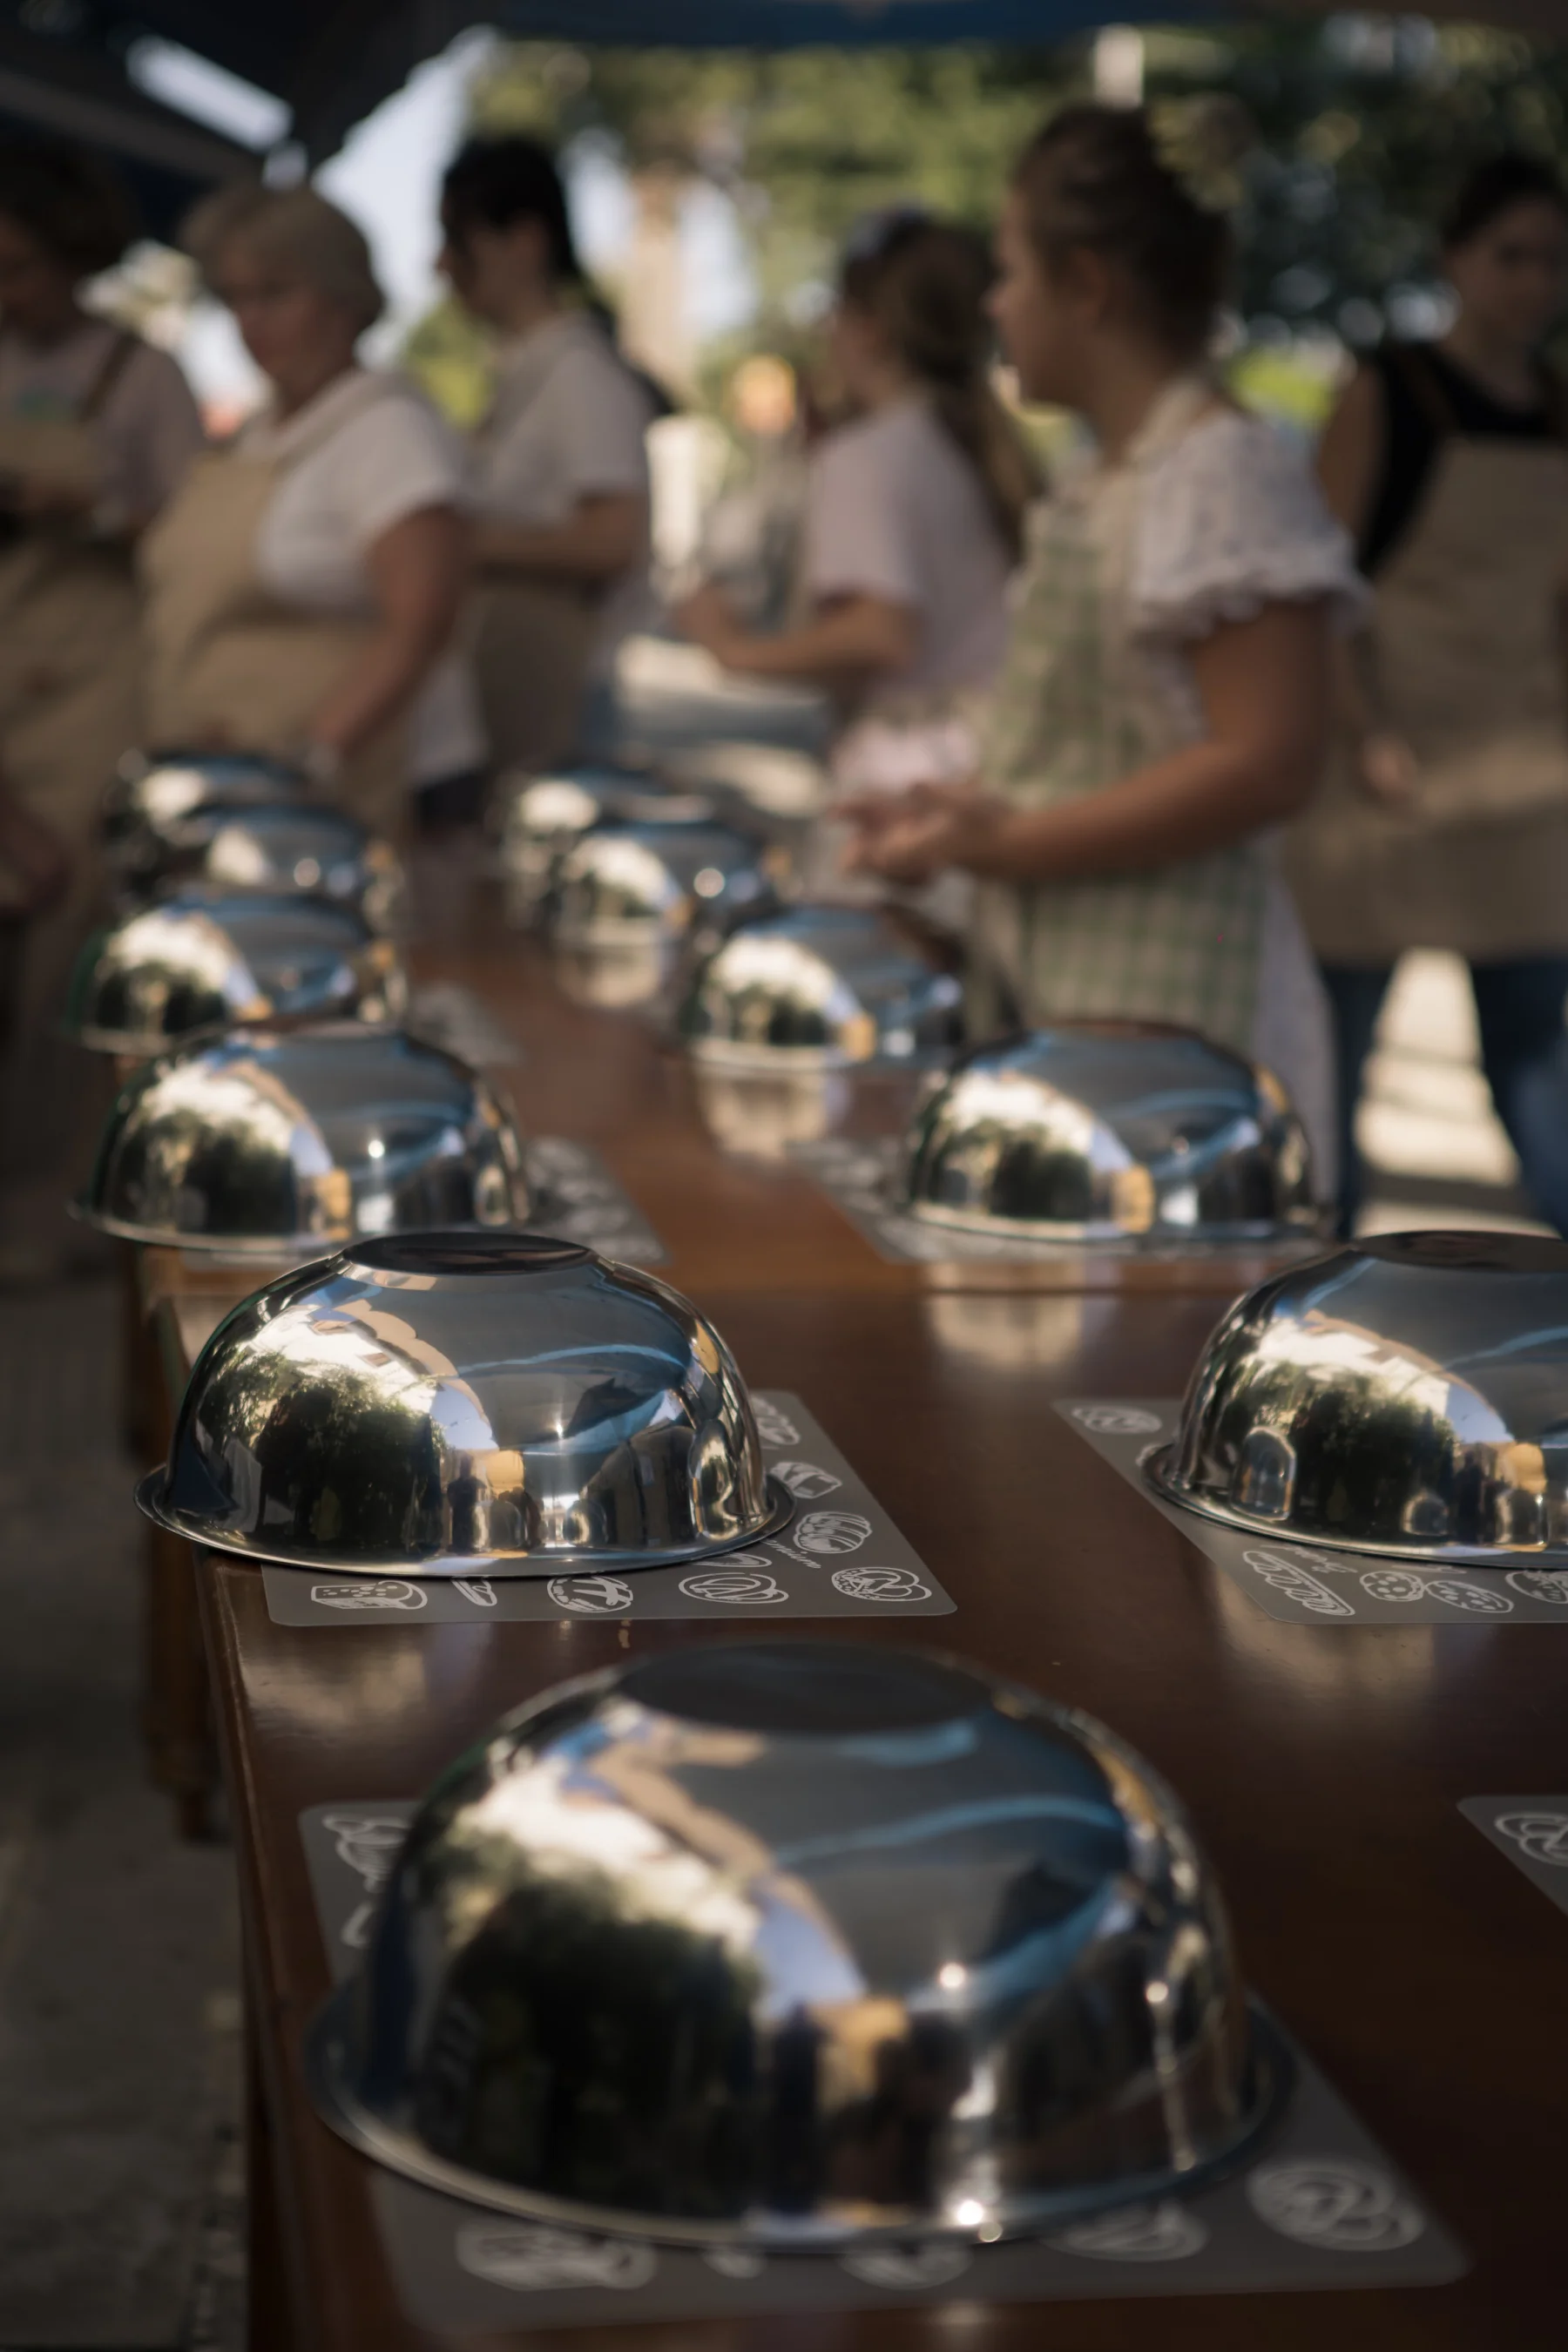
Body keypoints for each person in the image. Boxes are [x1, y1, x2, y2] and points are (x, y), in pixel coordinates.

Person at [841, 105, 1361, 1180]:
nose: (995, 304)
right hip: (1097, 1025)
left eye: (1010, 271)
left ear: (1086, 285)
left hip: (1191, 1048)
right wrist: (958, 816)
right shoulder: (1107, 476)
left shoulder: (1217, 472)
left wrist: (1009, 843)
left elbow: (1267, 764)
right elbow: (1104, 743)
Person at [1287, 156, 1568, 1236]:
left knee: (1536, 1059)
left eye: (1553, 260)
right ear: (1456, 260)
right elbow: (1319, 581)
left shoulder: (1557, 405)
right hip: (1384, 768)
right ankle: (1319, 1295)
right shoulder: (1389, 391)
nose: (1535, 282)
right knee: (1339, 1067)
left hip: (1524, 773)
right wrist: (1365, 729)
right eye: (1512, 255)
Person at [0, 141, 202, 1279]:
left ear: (74, 255)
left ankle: (53, 1206)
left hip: (92, 688)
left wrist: (94, 508)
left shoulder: (142, 374)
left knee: (64, 942)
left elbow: (194, 538)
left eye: (22, 268)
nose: (8, 293)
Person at [143, 183, 479, 835]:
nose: (250, 322)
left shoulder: (389, 432)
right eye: (235, 299)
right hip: (222, 792)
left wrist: (306, 763)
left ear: (344, 296)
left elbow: (422, 622)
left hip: (331, 812)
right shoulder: (256, 433)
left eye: (274, 294)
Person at [678, 210, 1038, 796]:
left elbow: (880, 634)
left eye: (836, 311)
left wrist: (734, 650)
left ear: (870, 329)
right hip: (974, 762)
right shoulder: (963, 445)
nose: (826, 330)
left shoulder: (867, 456)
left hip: (905, 776)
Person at [438, 136, 653, 774]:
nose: (441, 264)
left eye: (458, 239)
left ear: (525, 241)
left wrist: (462, 542)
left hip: (562, 695)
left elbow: (612, 540)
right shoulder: (533, 370)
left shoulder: (580, 375)